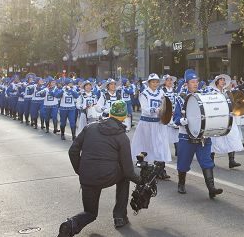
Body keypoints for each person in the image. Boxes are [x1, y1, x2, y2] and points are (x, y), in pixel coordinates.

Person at [58, 100, 142, 237]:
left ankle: (71, 224)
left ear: (109, 113)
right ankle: (119, 217)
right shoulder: (122, 137)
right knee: (125, 177)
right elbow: (128, 170)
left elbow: (73, 151)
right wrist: (141, 180)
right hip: (108, 176)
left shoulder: (90, 127)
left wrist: (80, 170)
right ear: (124, 117)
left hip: (87, 178)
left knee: (90, 213)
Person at [173, 69, 223, 198]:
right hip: (186, 136)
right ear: (186, 84)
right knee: (183, 162)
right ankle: (181, 183)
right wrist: (181, 121)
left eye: (196, 81)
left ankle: (211, 188)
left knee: (207, 162)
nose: (195, 84)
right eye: (192, 82)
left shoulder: (203, 95)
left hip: (202, 136)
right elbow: (176, 118)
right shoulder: (180, 98)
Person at [131, 73, 172, 180]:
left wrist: (165, 112)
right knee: (146, 146)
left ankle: (160, 170)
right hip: (147, 124)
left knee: (160, 145)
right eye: (153, 82)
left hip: (158, 124)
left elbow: (165, 105)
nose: (155, 84)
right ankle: (146, 169)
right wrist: (156, 110)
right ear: (149, 83)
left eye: (157, 82)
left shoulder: (161, 92)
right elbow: (144, 109)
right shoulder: (144, 94)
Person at [209, 74, 243, 169]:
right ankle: (211, 160)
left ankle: (231, 160)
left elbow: (232, 104)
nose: (223, 82)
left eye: (224, 80)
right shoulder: (212, 92)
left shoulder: (227, 92)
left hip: (228, 117)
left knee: (232, 136)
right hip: (217, 118)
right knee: (215, 138)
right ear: (217, 82)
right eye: (221, 80)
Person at [161, 74, 179, 156]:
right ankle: (165, 152)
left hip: (175, 114)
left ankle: (178, 152)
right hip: (166, 114)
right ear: (164, 82)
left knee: (176, 134)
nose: (170, 82)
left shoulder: (175, 90)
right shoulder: (162, 91)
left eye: (171, 80)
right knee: (165, 134)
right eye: (168, 80)